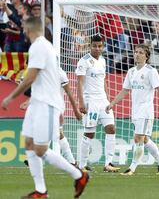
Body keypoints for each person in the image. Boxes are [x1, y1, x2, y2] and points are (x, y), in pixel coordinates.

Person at [1, 17, 88, 198]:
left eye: (24, 28)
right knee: (29, 143)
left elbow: (31, 78)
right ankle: (41, 191)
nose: (23, 31)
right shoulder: (41, 47)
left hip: (47, 104)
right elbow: (39, 80)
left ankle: (79, 175)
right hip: (38, 103)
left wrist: (10, 97)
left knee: (40, 149)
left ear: (30, 29)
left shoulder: (39, 46)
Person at [106, 44, 159, 175]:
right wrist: (112, 103)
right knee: (145, 140)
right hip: (135, 111)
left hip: (146, 110)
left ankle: (132, 168)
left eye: (141, 52)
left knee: (138, 138)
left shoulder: (151, 71)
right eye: (136, 52)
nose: (137, 54)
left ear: (146, 56)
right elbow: (125, 90)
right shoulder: (131, 72)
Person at [75, 34, 119, 172]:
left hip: (103, 101)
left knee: (111, 128)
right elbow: (80, 83)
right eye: (94, 46)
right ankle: (82, 165)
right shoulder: (84, 61)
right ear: (90, 46)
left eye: (100, 46)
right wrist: (81, 103)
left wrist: (108, 99)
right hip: (90, 101)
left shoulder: (103, 61)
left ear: (103, 46)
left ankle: (108, 164)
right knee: (90, 133)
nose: (97, 48)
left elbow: (103, 80)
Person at [21, 68, 82, 166]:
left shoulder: (60, 73)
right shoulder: (37, 70)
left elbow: (69, 92)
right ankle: (72, 162)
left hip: (57, 106)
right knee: (55, 132)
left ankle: (36, 158)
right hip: (42, 105)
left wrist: (75, 110)